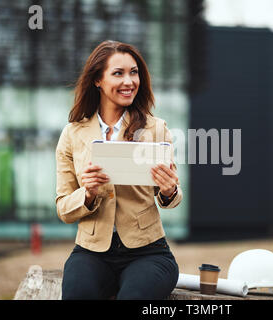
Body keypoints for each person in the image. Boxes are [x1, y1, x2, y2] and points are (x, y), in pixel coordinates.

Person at [55, 40, 182, 300]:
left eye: (134, 72)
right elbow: (63, 208)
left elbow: (172, 197)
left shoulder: (155, 129)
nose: (129, 81)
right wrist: (88, 194)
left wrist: (169, 190)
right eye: (118, 73)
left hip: (147, 252)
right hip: (91, 252)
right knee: (77, 294)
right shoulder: (72, 134)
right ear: (97, 80)